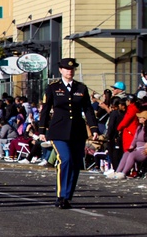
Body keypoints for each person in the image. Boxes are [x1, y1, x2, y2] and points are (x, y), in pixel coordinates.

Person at [37, 58, 99, 209]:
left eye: (71, 69)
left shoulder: (81, 88)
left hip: (77, 130)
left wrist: (94, 128)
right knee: (65, 159)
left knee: (76, 163)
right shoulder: (53, 88)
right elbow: (46, 109)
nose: (69, 71)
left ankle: (68, 196)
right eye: (66, 69)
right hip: (58, 130)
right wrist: (42, 129)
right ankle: (61, 195)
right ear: (60, 70)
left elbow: (88, 110)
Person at [109, 109, 147, 179]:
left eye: (140, 117)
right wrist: (131, 146)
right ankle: (117, 172)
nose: (138, 118)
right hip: (137, 148)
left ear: (145, 119)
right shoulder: (139, 128)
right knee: (126, 153)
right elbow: (135, 139)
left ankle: (124, 172)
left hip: (144, 150)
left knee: (132, 155)